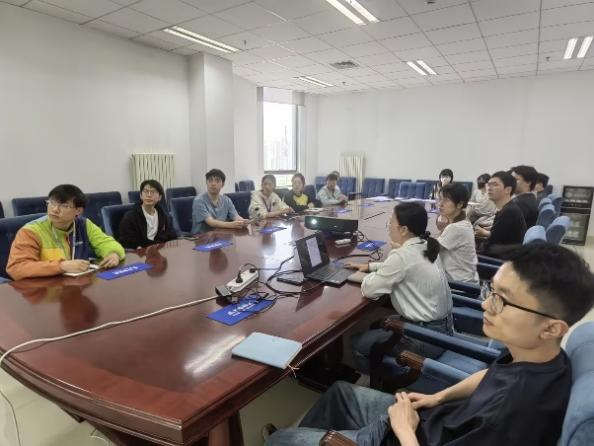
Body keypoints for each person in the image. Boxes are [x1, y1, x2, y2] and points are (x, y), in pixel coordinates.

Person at [266, 243, 594, 446]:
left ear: (552, 327)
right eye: (491, 292)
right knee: (339, 391)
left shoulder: (514, 412)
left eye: (501, 300)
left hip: (408, 436)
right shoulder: (541, 357)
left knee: (282, 439)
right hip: (430, 421)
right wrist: (440, 396)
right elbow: (494, 373)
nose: (485, 305)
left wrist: (404, 429)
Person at [346, 202, 452, 374]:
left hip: (424, 339)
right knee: (378, 323)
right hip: (443, 330)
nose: (388, 227)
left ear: (403, 230)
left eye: (390, 222)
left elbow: (370, 290)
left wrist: (368, 276)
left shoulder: (402, 256)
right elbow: (405, 267)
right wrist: (371, 267)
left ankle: (375, 382)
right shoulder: (427, 245)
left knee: (356, 342)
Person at [7, 184, 125, 280]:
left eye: (64, 206)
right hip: (43, 291)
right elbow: (16, 268)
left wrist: (113, 254)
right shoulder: (30, 231)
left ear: (78, 211)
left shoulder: (84, 224)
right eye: (52, 203)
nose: (55, 209)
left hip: (76, 286)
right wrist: (61, 266)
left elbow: (106, 242)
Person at [475, 171, 527, 256]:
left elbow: (491, 246)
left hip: (499, 260)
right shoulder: (507, 208)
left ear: (508, 190)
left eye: (495, 185)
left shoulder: (509, 211)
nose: (489, 188)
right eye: (488, 184)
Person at [437, 184, 479, 284]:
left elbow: (431, 250)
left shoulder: (456, 228)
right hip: (465, 280)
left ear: (460, 204)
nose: (440, 204)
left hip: (459, 285)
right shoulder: (464, 222)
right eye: (440, 199)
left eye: (446, 200)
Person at [117, 179, 178, 249]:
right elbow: (126, 241)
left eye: (153, 192)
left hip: (160, 251)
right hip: (140, 253)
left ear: (160, 197)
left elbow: (172, 237)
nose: (149, 195)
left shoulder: (163, 216)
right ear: (141, 195)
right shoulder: (130, 217)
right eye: (146, 191)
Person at [192, 169, 250, 234]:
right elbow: (211, 222)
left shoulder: (226, 200)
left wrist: (242, 221)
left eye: (217, 181)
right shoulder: (199, 200)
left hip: (220, 234)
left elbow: (235, 216)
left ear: (222, 184)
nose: (213, 184)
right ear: (206, 183)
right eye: (210, 180)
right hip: (202, 236)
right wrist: (232, 225)